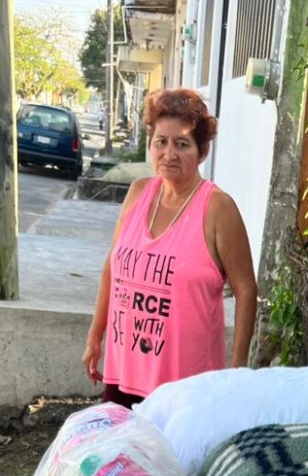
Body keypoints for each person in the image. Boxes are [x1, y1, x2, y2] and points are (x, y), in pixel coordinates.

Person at [82, 88, 258, 407]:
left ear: (202, 151)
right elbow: (112, 266)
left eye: (182, 144)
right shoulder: (138, 193)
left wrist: (237, 370)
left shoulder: (217, 208)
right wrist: (96, 334)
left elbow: (246, 290)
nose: (169, 154)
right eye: (161, 141)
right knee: (119, 440)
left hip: (185, 389)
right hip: (124, 372)